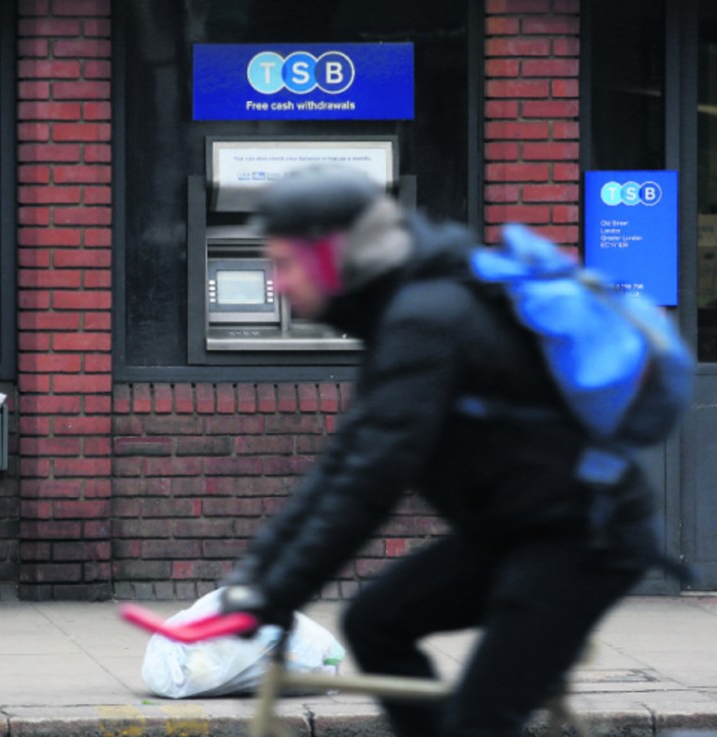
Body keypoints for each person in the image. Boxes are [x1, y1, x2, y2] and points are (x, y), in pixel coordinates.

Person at [219, 166, 664, 737]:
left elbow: (371, 478)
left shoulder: (426, 319)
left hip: (584, 538)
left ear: (333, 255)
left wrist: (279, 593)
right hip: (515, 530)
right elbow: (344, 461)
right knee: (374, 622)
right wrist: (260, 572)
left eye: (283, 263)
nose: (274, 283)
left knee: (478, 724)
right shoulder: (399, 313)